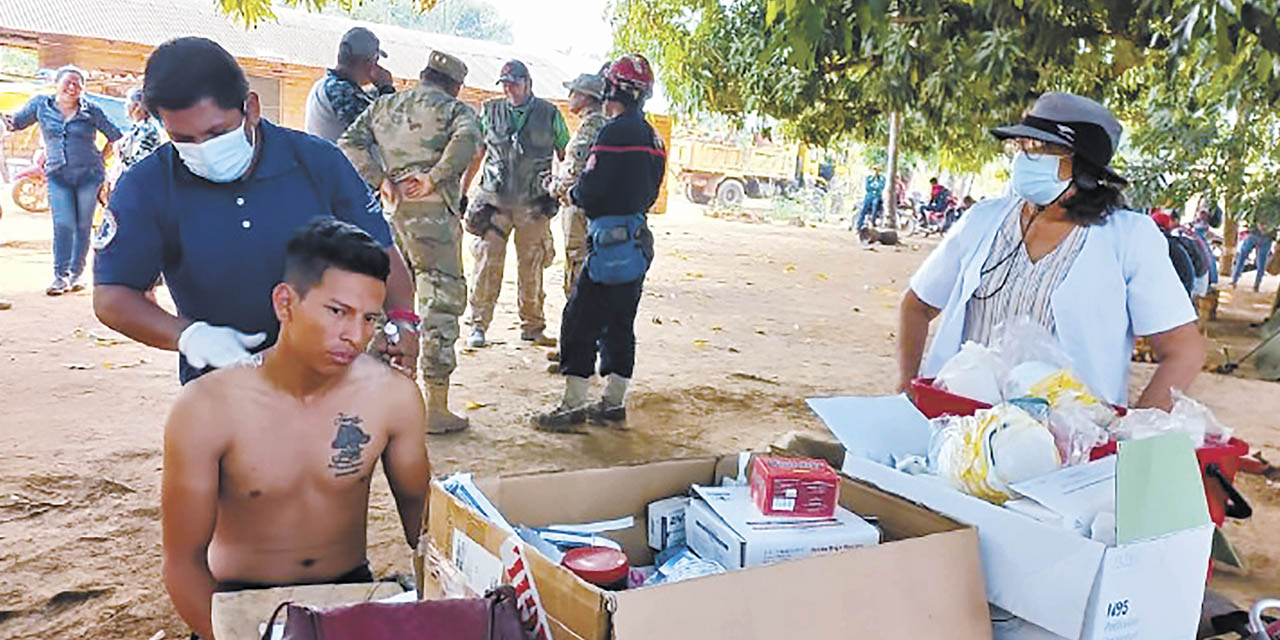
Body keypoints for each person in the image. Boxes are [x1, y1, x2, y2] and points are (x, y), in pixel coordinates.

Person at [161, 219, 429, 640]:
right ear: (285, 303)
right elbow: (182, 563)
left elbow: (424, 524)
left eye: (369, 319)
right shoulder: (207, 407)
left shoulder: (393, 397)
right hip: (239, 602)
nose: (355, 336)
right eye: (338, 311)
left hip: (347, 596)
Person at [93, 37, 418, 385]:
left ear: (252, 108)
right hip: (224, 384)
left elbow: (381, 251)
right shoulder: (147, 186)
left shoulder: (317, 162)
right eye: (182, 139)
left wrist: (402, 321)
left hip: (334, 376)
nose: (203, 149)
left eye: (217, 132)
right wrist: (190, 337)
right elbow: (113, 295)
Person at [897, 92, 1205, 410]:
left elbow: (1184, 351)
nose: (1026, 157)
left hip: (1066, 444)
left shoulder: (1130, 238)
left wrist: (1130, 439)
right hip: (957, 426)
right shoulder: (982, 220)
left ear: (1085, 168)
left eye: (1045, 148)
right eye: (1024, 146)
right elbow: (916, 305)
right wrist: (907, 389)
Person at [339, 50, 481, 435]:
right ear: (454, 85)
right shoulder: (455, 110)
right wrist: (435, 177)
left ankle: (373, 396)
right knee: (441, 303)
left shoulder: (385, 106)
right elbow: (470, 140)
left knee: (390, 304)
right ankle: (435, 407)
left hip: (393, 215)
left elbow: (348, 141)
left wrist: (380, 179)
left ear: (423, 74)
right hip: (434, 219)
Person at [534, 54, 665, 430]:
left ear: (612, 88)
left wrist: (572, 193)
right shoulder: (653, 138)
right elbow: (652, 192)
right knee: (621, 323)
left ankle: (573, 405)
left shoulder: (613, 132)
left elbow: (590, 189)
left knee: (579, 321)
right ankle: (612, 402)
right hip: (637, 243)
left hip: (607, 244)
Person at [464, 59, 570, 348]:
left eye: (513, 83)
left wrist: (562, 190)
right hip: (494, 204)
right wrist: (464, 191)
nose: (509, 89)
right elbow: (477, 153)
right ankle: (478, 326)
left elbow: (566, 154)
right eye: (505, 84)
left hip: (534, 206)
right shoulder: (490, 110)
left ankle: (533, 326)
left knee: (532, 266)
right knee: (486, 265)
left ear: (528, 83)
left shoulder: (549, 114)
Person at [3, 65, 122, 296]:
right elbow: (14, 123)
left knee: (82, 225)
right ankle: (60, 276)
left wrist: (101, 157)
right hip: (57, 174)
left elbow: (114, 135)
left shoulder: (91, 110)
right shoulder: (40, 105)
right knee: (63, 224)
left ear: (83, 89)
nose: (72, 86)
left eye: (78, 83)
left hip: (90, 175)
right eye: (68, 81)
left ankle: (76, 274)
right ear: (56, 83)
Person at [549, 72, 608, 297]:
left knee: (577, 260)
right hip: (589, 205)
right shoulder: (595, 124)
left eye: (573, 93)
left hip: (579, 206)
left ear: (585, 97)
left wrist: (553, 188)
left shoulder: (591, 127)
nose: (569, 97)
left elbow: (575, 171)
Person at [304, 27, 395, 143]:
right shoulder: (340, 91)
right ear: (368, 62)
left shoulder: (326, 86)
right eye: (376, 60)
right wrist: (386, 88)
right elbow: (387, 130)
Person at [118, 88, 165, 169]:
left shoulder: (146, 130)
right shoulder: (137, 129)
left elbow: (140, 162)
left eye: (128, 104)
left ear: (136, 106)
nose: (126, 107)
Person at [1232, 221, 1275, 292]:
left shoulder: (1258, 210)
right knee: (1262, 261)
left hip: (1254, 233)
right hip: (1267, 236)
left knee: (1242, 256)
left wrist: (1258, 225)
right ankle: (1257, 283)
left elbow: (1251, 218)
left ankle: (1234, 279)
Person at [853, 166, 885, 231]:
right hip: (869, 195)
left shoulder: (882, 179)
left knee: (875, 204)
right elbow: (867, 188)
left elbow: (881, 188)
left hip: (877, 196)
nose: (876, 172)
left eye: (878, 170)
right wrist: (873, 184)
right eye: (875, 170)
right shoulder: (869, 178)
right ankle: (859, 224)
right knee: (864, 208)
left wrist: (875, 189)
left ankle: (873, 220)